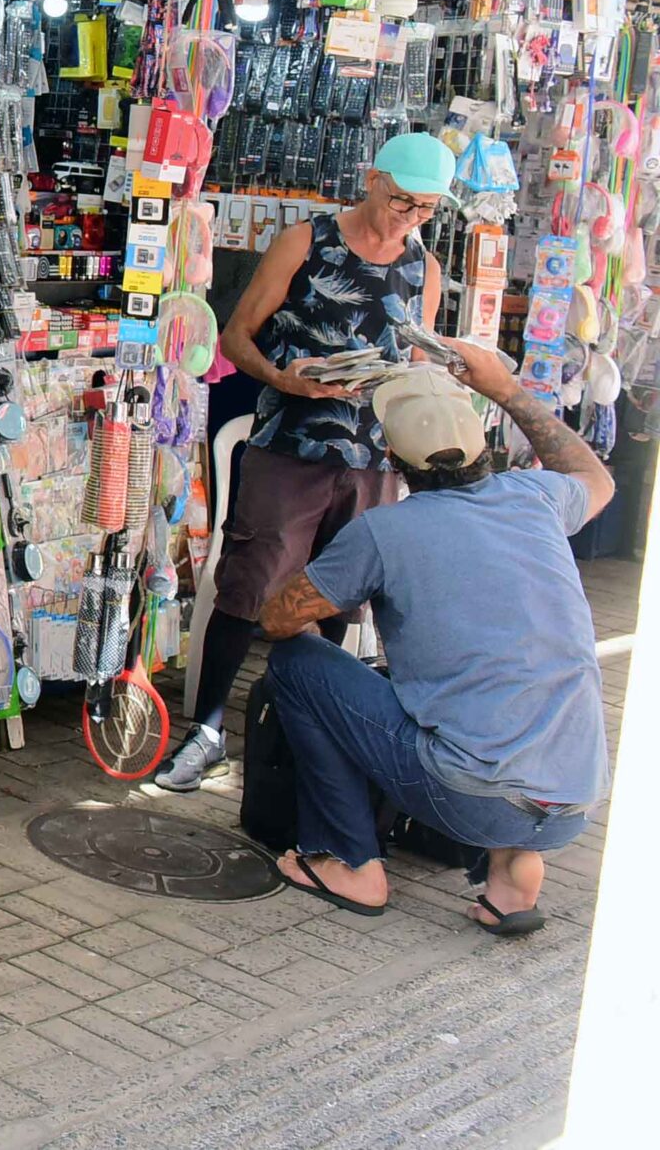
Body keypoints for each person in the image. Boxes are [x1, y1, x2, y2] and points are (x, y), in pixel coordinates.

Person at [260, 340, 611, 934]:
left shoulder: (386, 530)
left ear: (394, 461)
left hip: (472, 796)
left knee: (298, 664)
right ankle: (509, 877)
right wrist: (504, 387)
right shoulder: (536, 497)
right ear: (483, 447)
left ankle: (350, 862)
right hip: (575, 800)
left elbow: (277, 620)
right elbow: (593, 475)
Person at [154, 131, 449, 792]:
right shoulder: (307, 241)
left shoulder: (422, 267)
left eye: (427, 208)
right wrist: (287, 379)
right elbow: (236, 336)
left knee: (343, 595)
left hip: (373, 458)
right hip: (290, 444)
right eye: (403, 200)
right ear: (372, 178)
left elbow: (419, 357)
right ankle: (205, 730)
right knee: (247, 584)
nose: (411, 217)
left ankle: (301, 730)